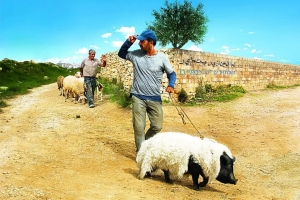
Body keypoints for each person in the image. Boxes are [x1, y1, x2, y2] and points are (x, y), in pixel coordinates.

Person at [118, 29, 176, 152]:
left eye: (142, 41)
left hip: (154, 98)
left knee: (157, 126)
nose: (139, 43)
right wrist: (128, 43)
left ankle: (144, 143)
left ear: (151, 42)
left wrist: (171, 85)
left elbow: (172, 73)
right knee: (139, 127)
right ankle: (141, 153)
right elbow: (121, 54)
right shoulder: (136, 55)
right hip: (138, 96)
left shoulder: (162, 58)